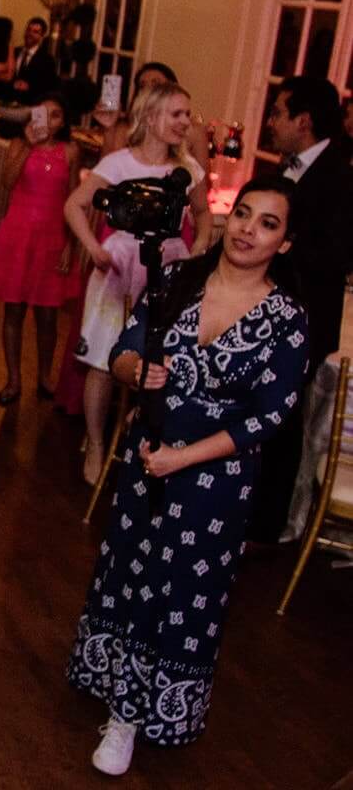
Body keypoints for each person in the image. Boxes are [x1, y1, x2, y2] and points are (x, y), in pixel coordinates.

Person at [66, 177, 310, 776]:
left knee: (178, 589)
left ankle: (132, 718)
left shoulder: (288, 320)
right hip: (146, 463)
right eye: (244, 214)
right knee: (127, 566)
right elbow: (123, 347)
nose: (248, 229)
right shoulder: (179, 280)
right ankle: (112, 685)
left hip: (214, 484)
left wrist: (186, 456)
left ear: (285, 242)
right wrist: (134, 368)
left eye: (268, 223)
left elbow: (269, 416)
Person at [65, 82, 213, 485]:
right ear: (150, 116)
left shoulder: (187, 170)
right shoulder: (118, 163)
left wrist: (197, 249)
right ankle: (95, 443)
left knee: (161, 358)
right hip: (120, 266)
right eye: (177, 114)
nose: (186, 122)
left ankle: (138, 432)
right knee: (102, 359)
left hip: (167, 266)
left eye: (188, 114)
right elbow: (74, 204)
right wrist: (94, 247)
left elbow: (203, 215)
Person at [247, 75, 353, 543]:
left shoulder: (340, 175)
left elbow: (337, 256)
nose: (271, 122)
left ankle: (268, 526)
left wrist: (280, 246)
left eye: (278, 113)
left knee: (284, 423)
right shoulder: (291, 168)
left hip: (307, 319)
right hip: (276, 314)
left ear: (303, 121)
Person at [0, 93, 82, 403]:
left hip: (52, 239)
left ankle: (45, 376)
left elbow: (73, 201)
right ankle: (13, 380)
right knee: (14, 310)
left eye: (56, 115)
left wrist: (69, 245)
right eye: (43, 113)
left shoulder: (71, 151)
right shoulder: (20, 145)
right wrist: (29, 144)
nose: (49, 120)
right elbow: (7, 181)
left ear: (64, 121)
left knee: (48, 316)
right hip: (18, 236)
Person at [10, 17, 58, 103]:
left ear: (41, 36)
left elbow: (49, 86)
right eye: (28, 30)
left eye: (35, 32)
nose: (30, 34)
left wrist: (29, 86)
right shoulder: (14, 52)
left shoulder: (47, 60)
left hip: (32, 104)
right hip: (10, 102)